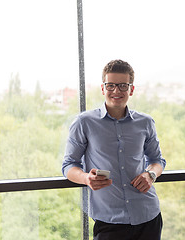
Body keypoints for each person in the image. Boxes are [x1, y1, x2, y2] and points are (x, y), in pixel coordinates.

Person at [62, 59, 166, 240]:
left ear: (131, 89)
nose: (116, 91)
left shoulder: (146, 122)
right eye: (110, 86)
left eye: (123, 86)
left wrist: (151, 175)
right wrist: (86, 178)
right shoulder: (84, 123)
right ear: (103, 88)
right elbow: (69, 165)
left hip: (148, 216)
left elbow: (157, 160)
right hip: (109, 221)